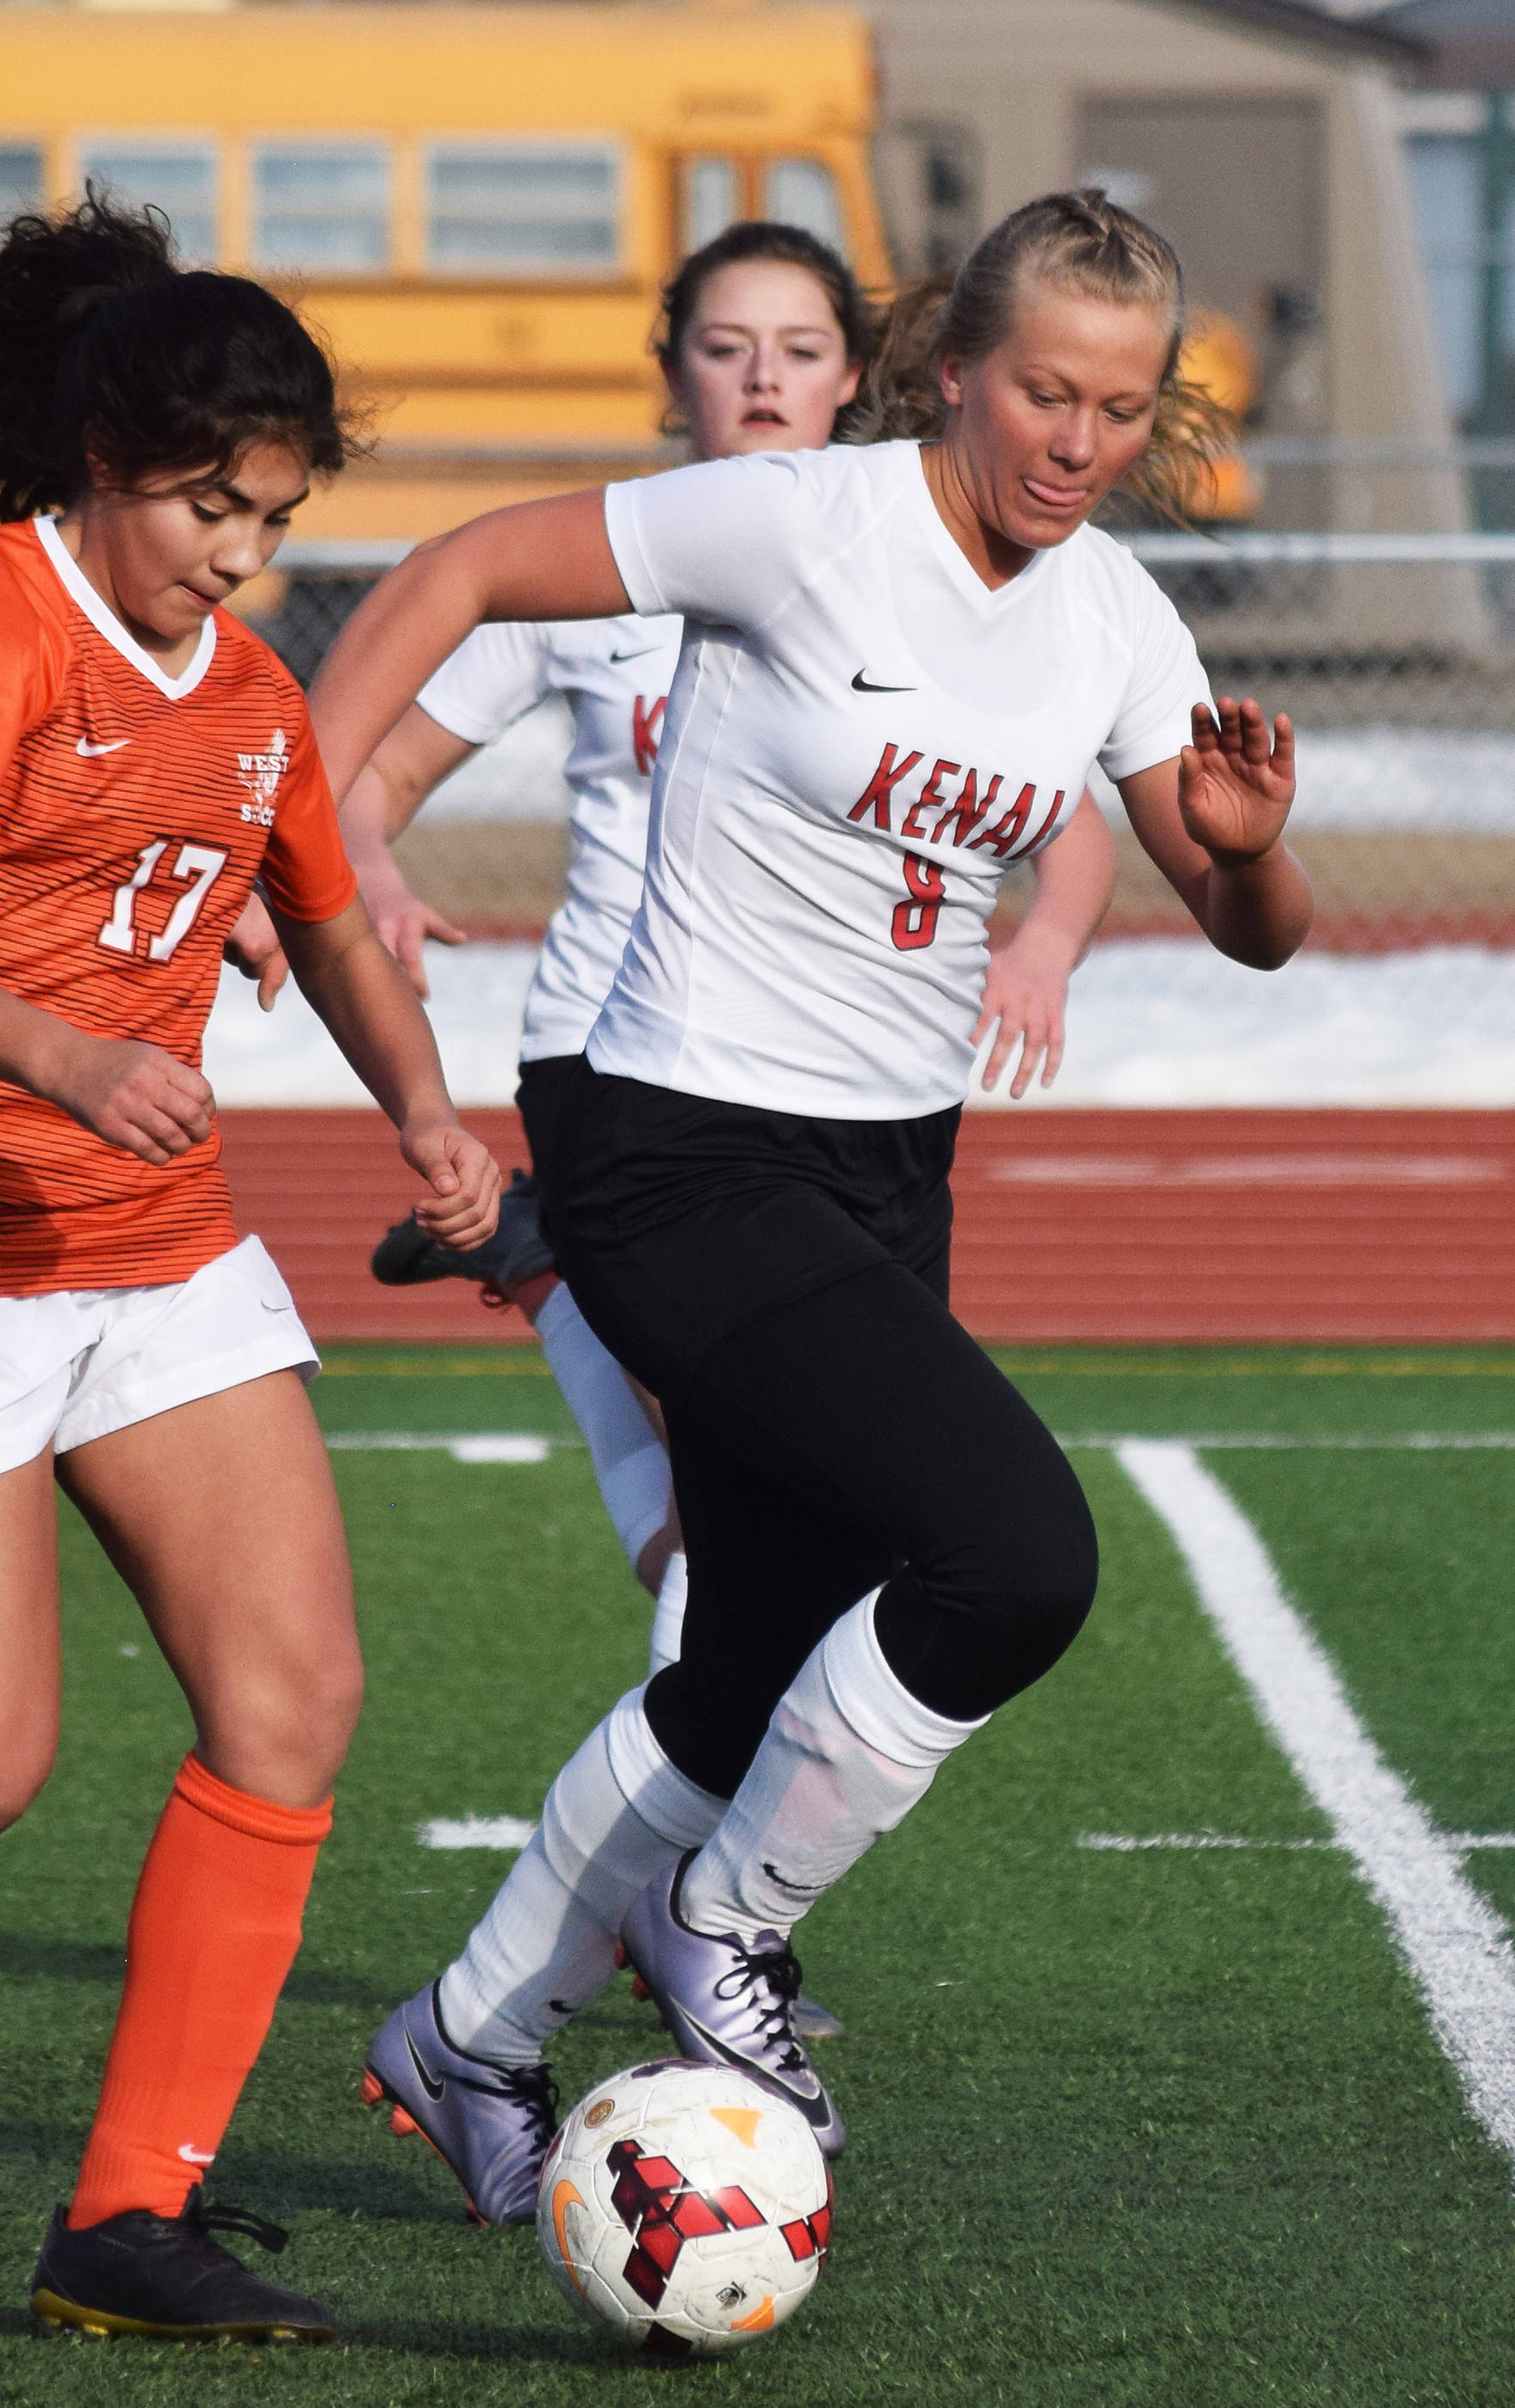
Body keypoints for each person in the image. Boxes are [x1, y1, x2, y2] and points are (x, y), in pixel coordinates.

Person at [311, 184, 1311, 2228]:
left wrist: (1251, 849)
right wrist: (304, 822)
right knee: (1014, 1556)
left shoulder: (1115, 611)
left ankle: (465, 2037)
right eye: (1044, 389)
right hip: (670, 1134)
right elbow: (466, 568)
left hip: (879, 1161)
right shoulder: (800, 521)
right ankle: (723, 1917)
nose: (1076, 440)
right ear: (951, 370)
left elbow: (1247, 930)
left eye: (1119, 409)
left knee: (756, 1642)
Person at [0, 195, 500, 2340]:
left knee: (294, 1701)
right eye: (204, 506)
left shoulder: (251, 687)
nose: (236, 553)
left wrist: (425, 1113)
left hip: (150, 1252)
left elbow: (338, 919)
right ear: (103, 459)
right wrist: (75, 1052)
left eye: (267, 513)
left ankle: (123, 2222)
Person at [320, 224, 1119, 1684]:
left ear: (862, 375)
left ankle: (547, 1271)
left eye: (802, 351)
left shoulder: (899, 570)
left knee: (794, 1516)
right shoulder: (601, 570)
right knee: (742, 1513)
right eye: (726, 347)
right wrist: (352, 856)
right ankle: (673, 1882)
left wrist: (1047, 940)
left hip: (825, 1090)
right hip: (616, 1065)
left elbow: (1066, 812)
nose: (763, 382)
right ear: (673, 370)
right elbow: (381, 760)